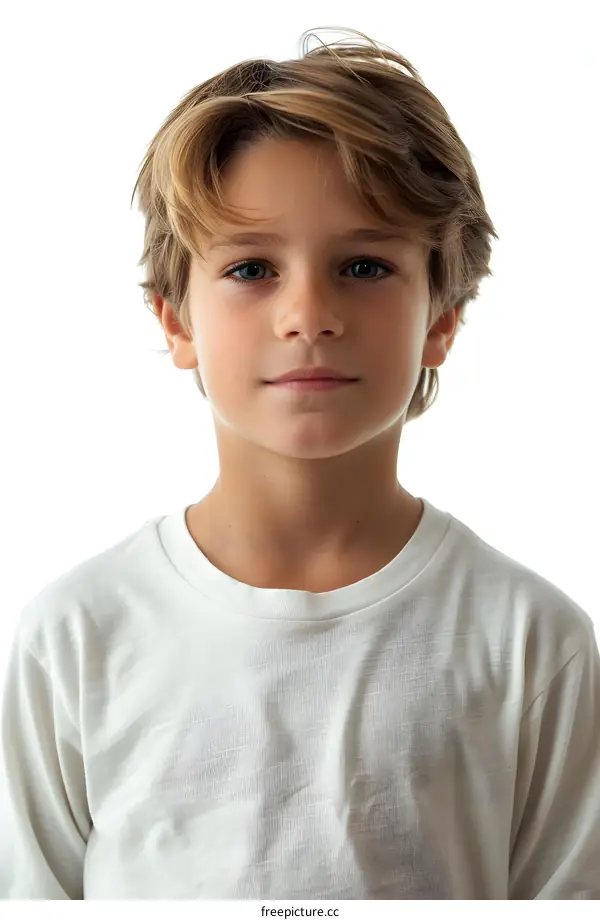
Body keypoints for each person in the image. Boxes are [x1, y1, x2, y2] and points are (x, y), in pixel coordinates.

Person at [1, 27, 599, 901]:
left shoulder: (531, 643)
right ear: (175, 322)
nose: (308, 313)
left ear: (443, 317)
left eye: (364, 265)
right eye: (251, 267)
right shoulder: (79, 635)